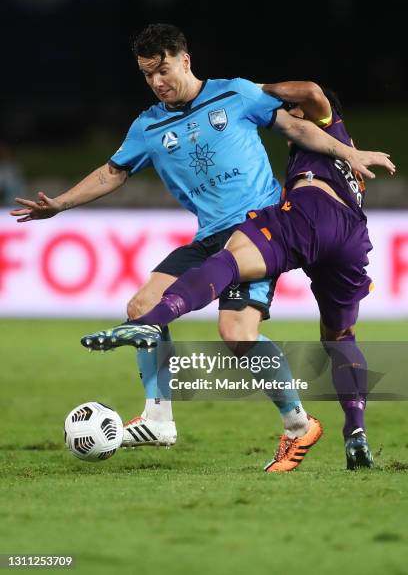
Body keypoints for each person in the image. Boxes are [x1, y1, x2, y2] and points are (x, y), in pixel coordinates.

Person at [11, 24, 393, 467]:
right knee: (140, 307)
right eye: (147, 74)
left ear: (185, 59)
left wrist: (348, 152)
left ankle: (297, 425)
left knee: (236, 334)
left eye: (163, 69)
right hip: (208, 235)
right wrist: (60, 203)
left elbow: (300, 128)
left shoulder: (235, 94)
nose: (157, 81)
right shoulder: (148, 125)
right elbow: (112, 172)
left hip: (257, 227)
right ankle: (158, 419)